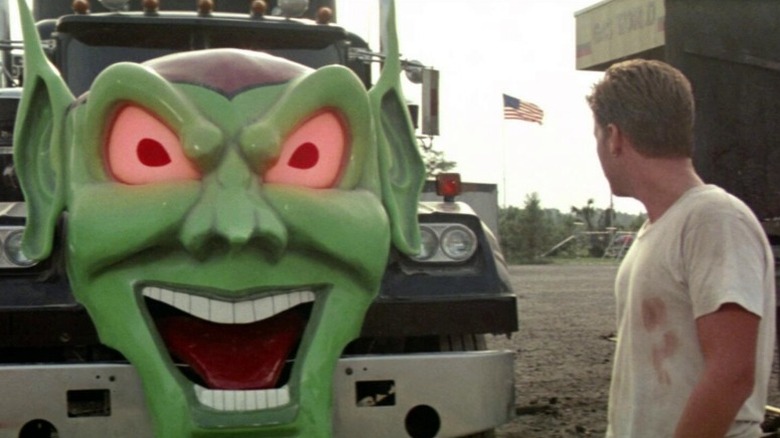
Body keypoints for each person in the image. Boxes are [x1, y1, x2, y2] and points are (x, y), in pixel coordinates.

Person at [586, 59, 776, 437]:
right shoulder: (660, 227)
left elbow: (732, 374)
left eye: (596, 138)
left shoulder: (714, 219)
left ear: (614, 136)